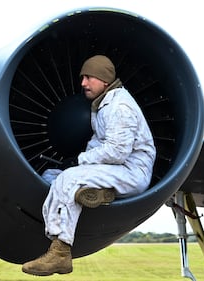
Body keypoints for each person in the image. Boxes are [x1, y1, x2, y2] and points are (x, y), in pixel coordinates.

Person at [22, 55, 156, 276]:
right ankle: (99, 193)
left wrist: (78, 162)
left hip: (131, 172)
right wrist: (74, 164)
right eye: (82, 77)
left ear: (104, 79)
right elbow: (98, 145)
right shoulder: (102, 105)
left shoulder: (119, 106)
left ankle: (60, 252)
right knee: (52, 176)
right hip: (116, 170)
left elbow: (117, 151)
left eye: (89, 77)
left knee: (67, 180)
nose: (83, 83)